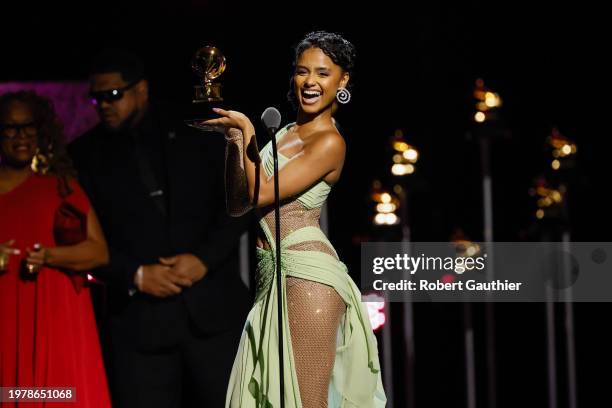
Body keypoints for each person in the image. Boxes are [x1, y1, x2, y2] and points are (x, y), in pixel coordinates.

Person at [203, 31, 387, 407]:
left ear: (343, 81)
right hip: (271, 277)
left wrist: (247, 131)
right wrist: (235, 142)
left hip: (307, 278)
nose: (310, 82)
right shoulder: (284, 133)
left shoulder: (330, 142)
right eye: (303, 72)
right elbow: (239, 203)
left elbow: (263, 195)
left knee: (304, 400)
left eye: (322, 73)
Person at [68, 49, 251, 408]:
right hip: (138, 326)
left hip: (213, 311)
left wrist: (203, 259)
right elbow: (79, 238)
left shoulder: (197, 133)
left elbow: (239, 203)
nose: (104, 105)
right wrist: (135, 275)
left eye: (114, 95)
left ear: (142, 90)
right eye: (97, 97)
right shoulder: (82, 155)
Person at [0, 91, 111, 407]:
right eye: (9, 128)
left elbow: (99, 252)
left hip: (53, 316)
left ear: (41, 130)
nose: (20, 136)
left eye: (28, 126)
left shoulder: (61, 188)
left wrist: (49, 255)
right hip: (6, 317)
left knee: (58, 393)